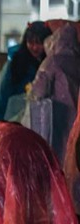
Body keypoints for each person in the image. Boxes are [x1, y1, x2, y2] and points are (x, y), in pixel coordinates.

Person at [29, 23, 80, 168]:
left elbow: (38, 92)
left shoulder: (53, 61)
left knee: (56, 161)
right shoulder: (77, 62)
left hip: (58, 119)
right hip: (76, 121)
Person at [0, 21, 52, 121]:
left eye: (39, 43)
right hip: (14, 120)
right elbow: (1, 95)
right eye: (31, 42)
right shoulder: (16, 63)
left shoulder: (51, 64)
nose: (34, 47)